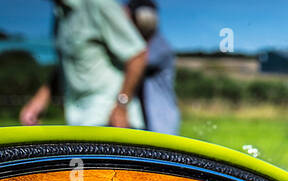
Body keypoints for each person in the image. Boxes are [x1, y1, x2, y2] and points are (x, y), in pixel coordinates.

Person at [20, 0, 148, 128]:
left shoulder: (99, 4)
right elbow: (65, 66)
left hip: (108, 118)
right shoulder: (59, 16)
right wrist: (39, 99)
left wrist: (121, 106)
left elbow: (137, 55)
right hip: (77, 120)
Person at [125, 0, 181, 135]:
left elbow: (137, 61)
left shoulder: (160, 46)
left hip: (161, 120)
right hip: (147, 119)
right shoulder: (149, 45)